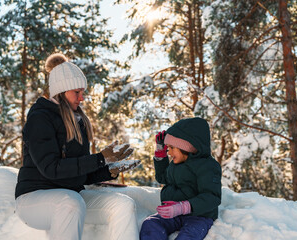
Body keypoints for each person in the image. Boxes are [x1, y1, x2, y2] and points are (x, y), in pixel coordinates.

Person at [15, 53, 140, 240]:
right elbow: (51, 168)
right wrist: (100, 158)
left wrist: (109, 170)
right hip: (34, 198)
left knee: (123, 204)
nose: (82, 98)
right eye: (77, 92)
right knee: (70, 202)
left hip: (71, 195)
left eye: (83, 92)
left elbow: (80, 172)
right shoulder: (40, 118)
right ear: (61, 90)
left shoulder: (78, 122)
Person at [140, 117, 222, 240]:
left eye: (172, 148)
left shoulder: (208, 166)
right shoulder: (175, 164)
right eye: (167, 148)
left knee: (188, 236)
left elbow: (212, 197)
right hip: (175, 214)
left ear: (188, 147)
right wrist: (160, 154)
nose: (169, 152)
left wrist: (183, 207)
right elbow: (162, 178)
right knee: (151, 223)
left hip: (199, 216)